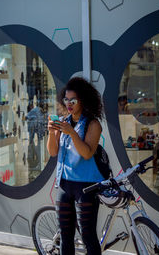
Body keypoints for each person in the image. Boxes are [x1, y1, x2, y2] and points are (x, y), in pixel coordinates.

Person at [47, 77, 105, 255]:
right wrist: (52, 132)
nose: (69, 104)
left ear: (83, 100)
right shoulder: (64, 121)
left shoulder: (93, 124)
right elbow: (53, 152)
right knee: (65, 236)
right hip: (64, 184)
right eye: (66, 99)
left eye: (73, 100)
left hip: (86, 186)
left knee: (88, 236)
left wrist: (72, 133)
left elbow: (87, 153)